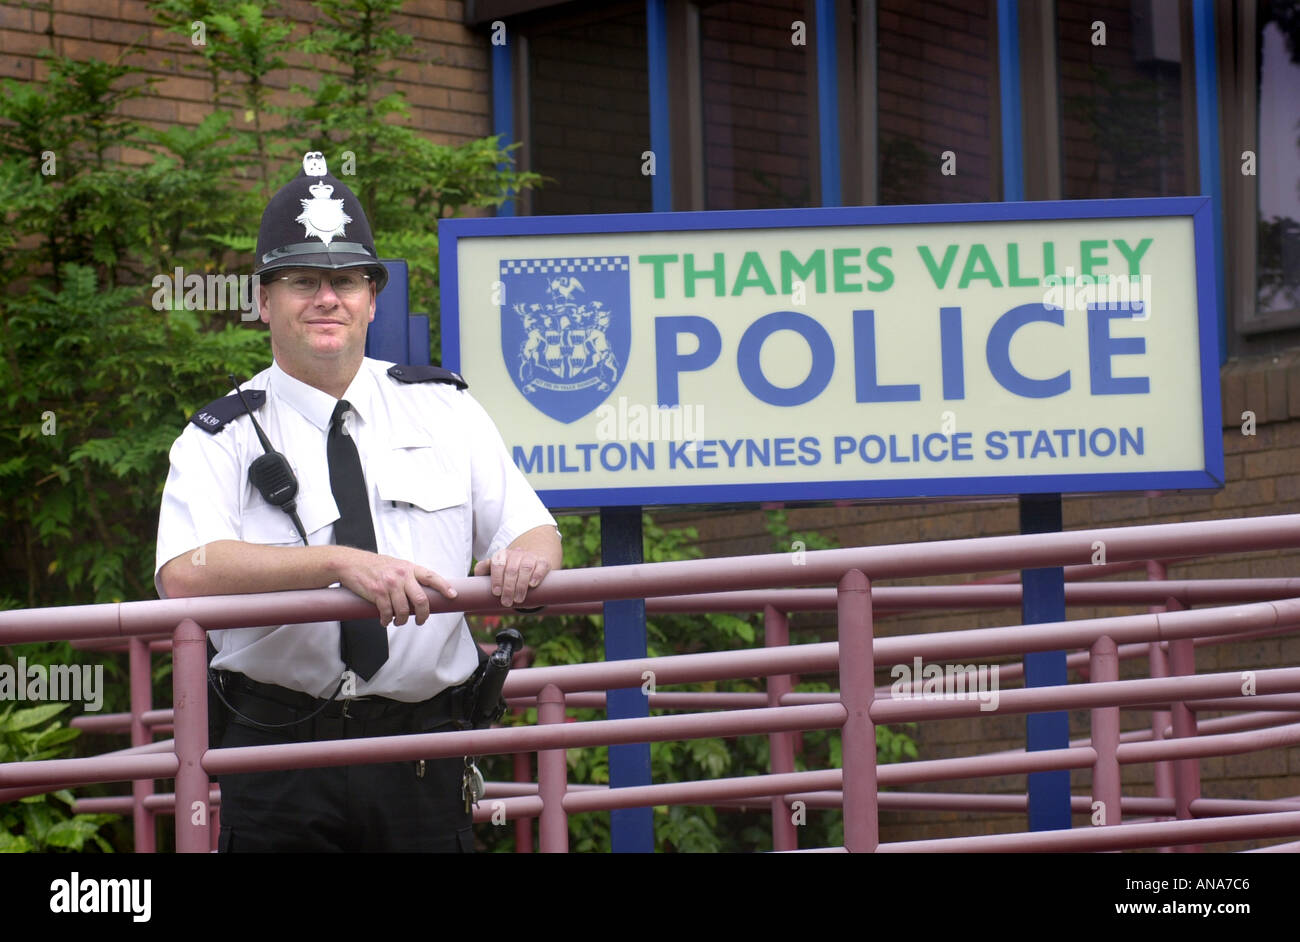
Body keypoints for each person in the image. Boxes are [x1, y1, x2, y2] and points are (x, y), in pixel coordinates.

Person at [154, 152, 561, 852]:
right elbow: (184, 572)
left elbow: (530, 529)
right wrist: (339, 564)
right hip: (280, 755)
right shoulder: (217, 435)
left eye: (345, 280)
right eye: (301, 281)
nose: (326, 298)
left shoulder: (443, 408)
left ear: (373, 298)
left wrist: (525, 561)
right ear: (262, 301)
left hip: (422, 752)